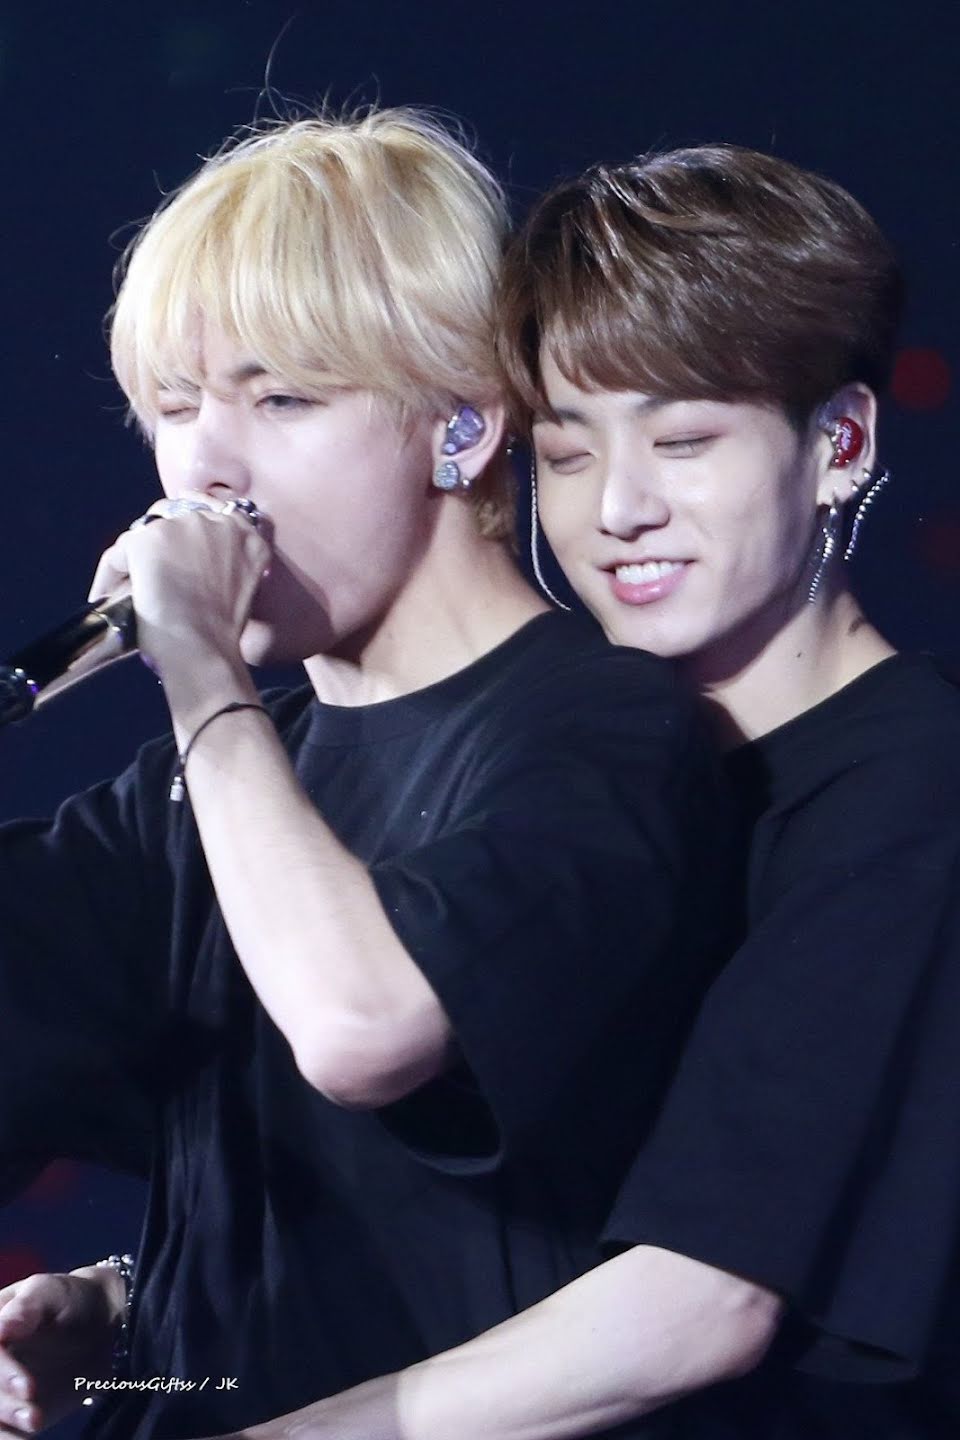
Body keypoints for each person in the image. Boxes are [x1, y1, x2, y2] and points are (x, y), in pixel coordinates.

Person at [174, 145, 960, 1438]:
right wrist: (134, 1301)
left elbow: (700, 1300)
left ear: (842, 443)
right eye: (569, 452)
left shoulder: (910, 791)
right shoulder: (582, 771)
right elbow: (504, 1220)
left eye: (685, 441)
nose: (620, 509)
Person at [0, 113, 734, 1438]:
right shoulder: (212, 780)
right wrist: (123, 1311)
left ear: (460, 427)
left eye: (280, 399)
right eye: (177, 408)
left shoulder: (605, 731)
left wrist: (197, 673)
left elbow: (363, 1027)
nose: (204, 469)